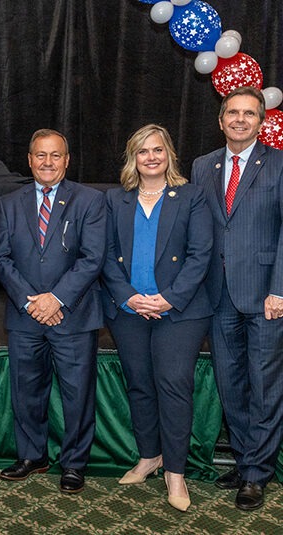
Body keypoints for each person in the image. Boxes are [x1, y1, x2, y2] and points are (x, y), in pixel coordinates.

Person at [101, 124, 212, 511]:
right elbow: (105, 254)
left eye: (158, 150)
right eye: (143, 151)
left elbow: (200, 254)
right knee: (140, 385)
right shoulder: (115, 199)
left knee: (173, 385)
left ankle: (175, 473)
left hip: (180, 311)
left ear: (169, 155)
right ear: (133, 158)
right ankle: (150, 456)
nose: (151, 157)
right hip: (129, 310)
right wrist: (129, 296)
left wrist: (168, 299)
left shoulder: (192, 196)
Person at [0, 128, 106, 494]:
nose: (47, 162)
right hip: (25, 315)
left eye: (55, 155)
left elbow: (92, 258)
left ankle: (73, 463)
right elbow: (1, 258)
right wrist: (32, 302)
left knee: (77, 394)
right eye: (40, 155)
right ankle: (32, 456)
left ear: (67, 160)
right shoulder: (9, 202)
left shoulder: (90, 200)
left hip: (72, 315)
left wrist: (55, 299)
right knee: (26, 390)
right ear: (29, 160)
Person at [191, 86, 283, 511]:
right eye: (233, 112)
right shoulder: (202, 165)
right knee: (231, 384)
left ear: (262, 121)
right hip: (217, 294)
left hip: (265, 295)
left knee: (264, 387)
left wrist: (279, 288)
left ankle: (257, 473)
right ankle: (246, 459)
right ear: (220, 119)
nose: (240, 119)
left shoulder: (278, 163)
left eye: (249, 113)